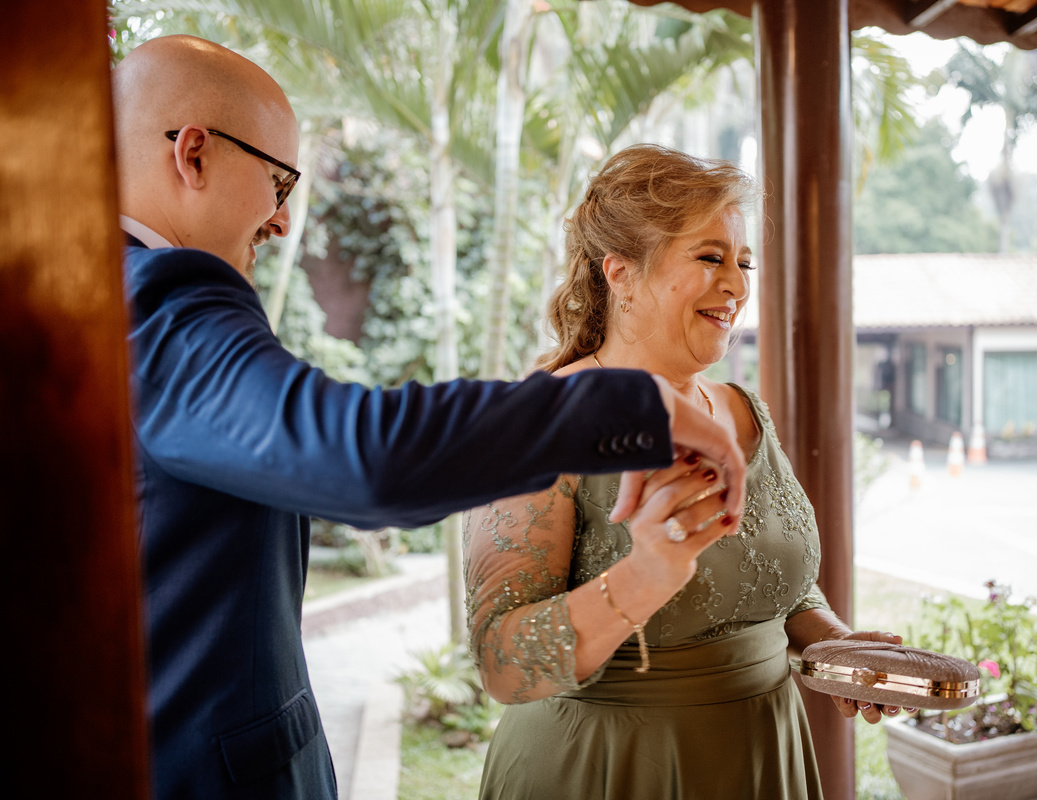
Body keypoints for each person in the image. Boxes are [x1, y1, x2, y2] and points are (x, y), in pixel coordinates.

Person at [111, 37, 747, 800]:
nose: (281, 220)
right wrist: (628, 405)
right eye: (278, 180)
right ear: (193, 155)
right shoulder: (160, 303)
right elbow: (363, 456)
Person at [464, 144, 903, 800]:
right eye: (710, 258)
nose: (737, 285)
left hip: (763, 759)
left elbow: (777, 584)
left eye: (744, 263)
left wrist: (834, 645)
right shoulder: (539, 423)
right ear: (622, 274)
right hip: (605, 768)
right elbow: (501, 664)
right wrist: (640, 578)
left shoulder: (741, 410)